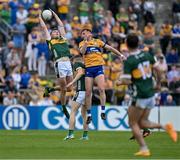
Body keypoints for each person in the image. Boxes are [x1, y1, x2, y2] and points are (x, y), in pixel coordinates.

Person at [118, 34, 177, 157]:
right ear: (138, 43)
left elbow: (127, 80)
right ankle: (166, 127)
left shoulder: (130, 61)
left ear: (127, 45)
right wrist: (159, 84)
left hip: (140, 94)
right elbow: (160, 70)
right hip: (151, 93)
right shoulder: (147, 54)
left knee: (132, 123)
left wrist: (120, 80)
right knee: (143, 122)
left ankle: (144, 148)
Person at [79, 24, 125, 124]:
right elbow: (82, 52)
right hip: (89, 69)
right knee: (88, 93)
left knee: (101, 89)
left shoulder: (97, 42)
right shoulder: (82, 43)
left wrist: (120, 55)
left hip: (98, 67)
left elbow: (110, 48)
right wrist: (86, 43)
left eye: (85, 33)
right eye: (82, 34)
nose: (83, 35)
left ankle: (103, 111)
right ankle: (89, 115)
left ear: (90, 33)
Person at [43, 55, 89, 140]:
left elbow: (79, 74)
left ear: (74, 60)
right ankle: (85, 136)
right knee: (84, 114)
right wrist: (53, 89)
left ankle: (71, 134)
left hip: (81, 92)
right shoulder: (86, 67)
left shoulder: (77, 64)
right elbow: (75, 86)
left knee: (72, 112)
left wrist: (72, 82)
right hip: (88, 93)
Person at [39, 9, 73, 119]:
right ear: (51, 34)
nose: (57, 32)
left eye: (57, 32)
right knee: (63, 89)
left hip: (68, 63)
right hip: (59, 63)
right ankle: (63, 107)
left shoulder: (63, 39)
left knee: (69, 89)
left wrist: (54, 14)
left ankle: (50, 89)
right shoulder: (50, 41)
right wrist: (40, 16)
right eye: (54, 32)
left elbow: (61, 25)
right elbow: (44, 28)